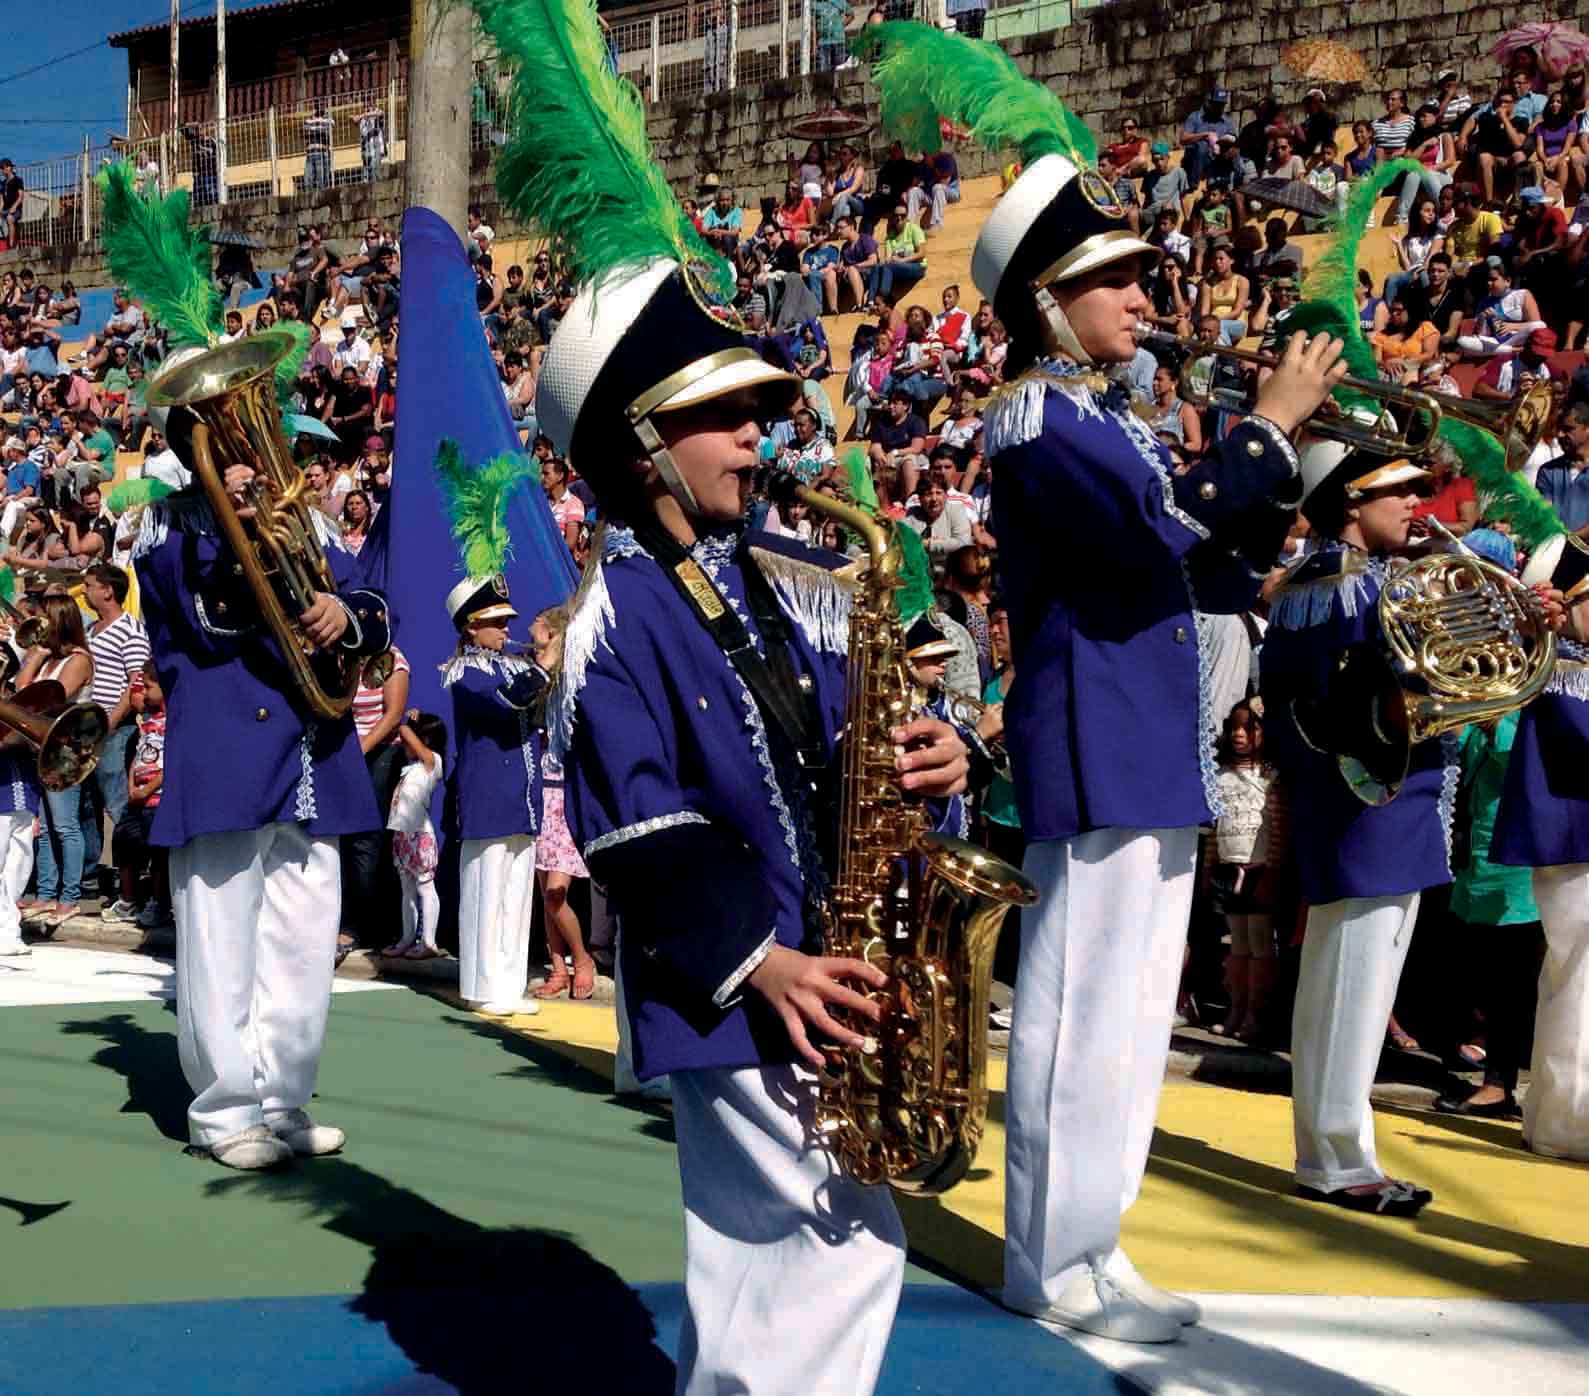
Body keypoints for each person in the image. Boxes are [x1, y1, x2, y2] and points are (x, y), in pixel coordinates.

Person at [971, 150, 1338, 1342]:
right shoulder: (1037, 416)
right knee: (1077, 1014)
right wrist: (1265, 430)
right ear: (1047, 296)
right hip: (1091, 739)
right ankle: (1048, 1260)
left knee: (1127, 1022)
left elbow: (1203, 555)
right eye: (1117, 278)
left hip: (1144, 738)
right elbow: (1154, 533)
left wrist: (1287, 466)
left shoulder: (1104, 417)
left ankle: (1095, 1241)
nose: (1146, 297)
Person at [132, 423, 393, 1170]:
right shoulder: (171, 535)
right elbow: (207, 621)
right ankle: (226, 1112)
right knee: (222, 938)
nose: (249, 465)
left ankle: (283, 1098)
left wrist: (346, 615)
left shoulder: (298, 522)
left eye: (252, 442)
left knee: (304, 937)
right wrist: (239, 528)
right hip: (226, 758)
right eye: (226, 449)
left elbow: (375, 599)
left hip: (314, 755)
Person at [1260, 439, 1447, 1218]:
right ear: (1348, 503)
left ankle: (1338, 1149)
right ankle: (1335, 1159)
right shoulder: (1342, 584)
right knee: (1350, 985)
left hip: (1381, 800)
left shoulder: (1346, 580)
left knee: (1352, 983)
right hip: (1369, 799)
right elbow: (1361, 697)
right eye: (1395, 492)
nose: (1415, 504)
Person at [1491, 531, 1589, 1159]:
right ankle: (1566, 1124)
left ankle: (1554, 1117)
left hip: (1573, 841)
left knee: (1572, 979)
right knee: (1578, 979)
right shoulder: (1563, 668)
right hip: (1574, 842)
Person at [442, 574, 547, 1018]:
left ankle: (508, 982)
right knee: (486, 890)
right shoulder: (464, 671)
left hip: (523, 797)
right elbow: (508, 701)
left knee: (518, 893)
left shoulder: (516, 664)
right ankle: (482, 985)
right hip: (488, 796)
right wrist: (546, 663)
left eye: (507, 621)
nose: (507, 630)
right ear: (470, 627)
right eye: (496, 622)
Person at [528, 604, 598, 1001]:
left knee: (557, 891)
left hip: (567, 792)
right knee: (545, 892)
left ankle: (582, 958)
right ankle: (558, 968)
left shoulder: (574, 680)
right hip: (541, 789)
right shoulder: (539, 684)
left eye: (539, 633)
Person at [14, 594, 93, 927]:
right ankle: (47, 893)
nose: (40, 625)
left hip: (67, 751)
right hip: (41, 748)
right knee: (44, 828)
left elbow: (49, 696)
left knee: (65, 826)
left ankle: (70, 897)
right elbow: (21, 688)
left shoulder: (79, 659)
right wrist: (36, 656)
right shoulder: (47, 658)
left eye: (46, 619)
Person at [1208, 699, 1284, 1041]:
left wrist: (1271, 874)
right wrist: (1210, 869)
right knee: (1237, 944)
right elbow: (1213, 830)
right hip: (1228, 871)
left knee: (1259, 944)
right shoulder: (1219, 777)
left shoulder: (1270, 778)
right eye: (1233, 727)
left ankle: (1256, 1015)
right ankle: (1235, 1011)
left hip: (1258, 872)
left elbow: (1279, 832)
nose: (1239, 735)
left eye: (1248, 728)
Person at [82, 563, 149, 923]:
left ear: (108, 590)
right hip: (87, 733)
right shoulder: (92, 629)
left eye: (90, 585)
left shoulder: (130, 631)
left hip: (114, 732)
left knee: (119, 810)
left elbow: (134, 682)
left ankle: (133, 888)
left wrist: (110, 723)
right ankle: (95, 884)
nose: (86, 591)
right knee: (90, 809)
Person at [383, 710, 447, 960]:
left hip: (420, 835)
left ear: (426, 741)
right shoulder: (410, 769)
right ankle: (407, 938)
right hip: (401, 834)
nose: (404, 746)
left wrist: (410, 723)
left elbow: (405, 732)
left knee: (425, 887)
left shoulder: (433, 763)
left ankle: (429, 941)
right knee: (407, 889)